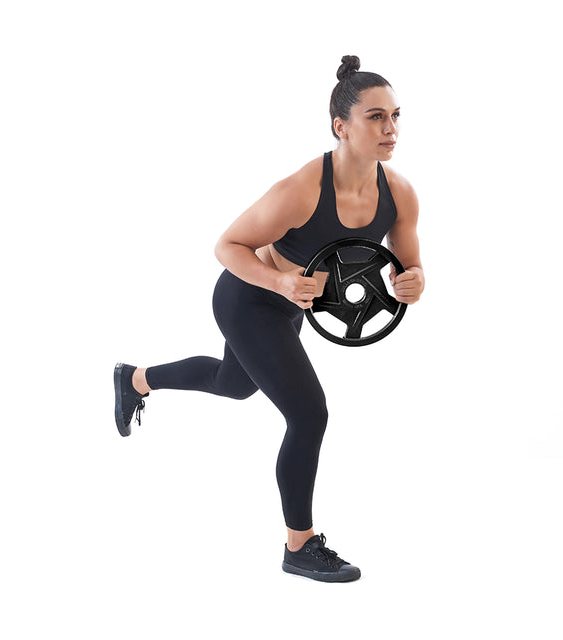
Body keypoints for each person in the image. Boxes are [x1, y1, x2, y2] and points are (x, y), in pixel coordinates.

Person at [113, 55, 424, 582]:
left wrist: (414, 283)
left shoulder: (399, 194)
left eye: (396, 115)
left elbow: (409, 268)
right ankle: (299, 547)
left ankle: (135, 379)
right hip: (248, 297)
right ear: (340, 127)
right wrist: (280, 280)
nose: (390, 128)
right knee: (309, 414)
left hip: (288, 306)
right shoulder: (302, 188)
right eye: (376, 117)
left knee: (232, 384)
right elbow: (226, 245)